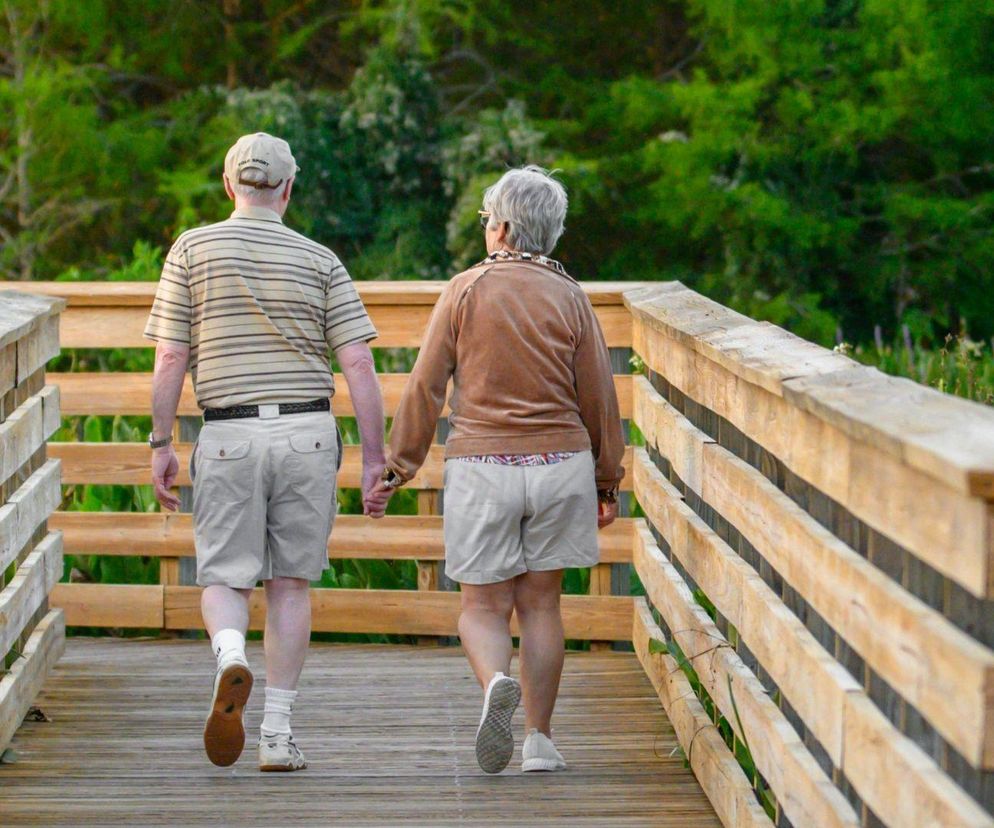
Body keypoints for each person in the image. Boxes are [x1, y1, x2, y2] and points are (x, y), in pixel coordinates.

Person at [369, 166, 625, 775]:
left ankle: (493, 687)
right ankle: (538, 740)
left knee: (482, 607)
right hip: (560, 465)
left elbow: (427, 386)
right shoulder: (571, 296)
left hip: (483, 465)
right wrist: (605, 479)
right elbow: (598, 395)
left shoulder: (464, 289)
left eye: (488, 221)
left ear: (504, 227)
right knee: (542, 606)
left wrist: (397, 466)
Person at [145, 132, 387, 772]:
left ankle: (229, 653)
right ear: (288, 188)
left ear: (229, 186)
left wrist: (161, 441)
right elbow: (358, 361)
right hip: (307, 433)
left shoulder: (191, 250)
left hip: (227, 433)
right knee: (289, 585)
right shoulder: (320, 259)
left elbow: (171, 354)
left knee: (225, 574)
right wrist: (374, 457)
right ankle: (277, 736)